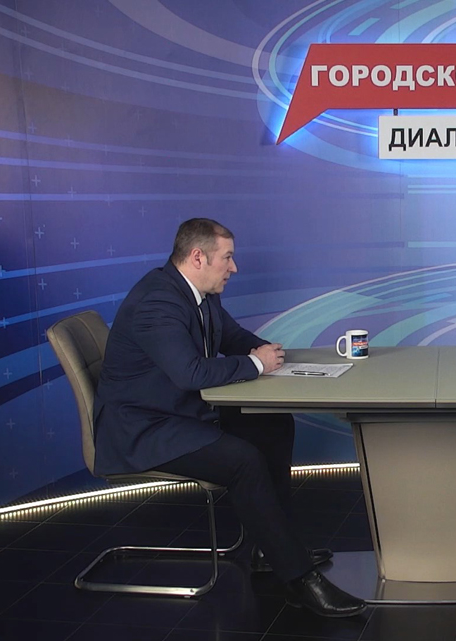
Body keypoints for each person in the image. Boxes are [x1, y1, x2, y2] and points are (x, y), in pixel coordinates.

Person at [93, 218, 365, 617]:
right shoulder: (157, 303)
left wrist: (266, 352)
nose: (234, 268)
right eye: (228, 258)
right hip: (144, 429)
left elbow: (230, 336)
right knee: (243, 461)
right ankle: (299, 579)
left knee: (273, 425)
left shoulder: (199, 292)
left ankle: (273, 549)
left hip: (177, 413)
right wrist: (256, 364)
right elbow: (190, 374)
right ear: (197, 257)